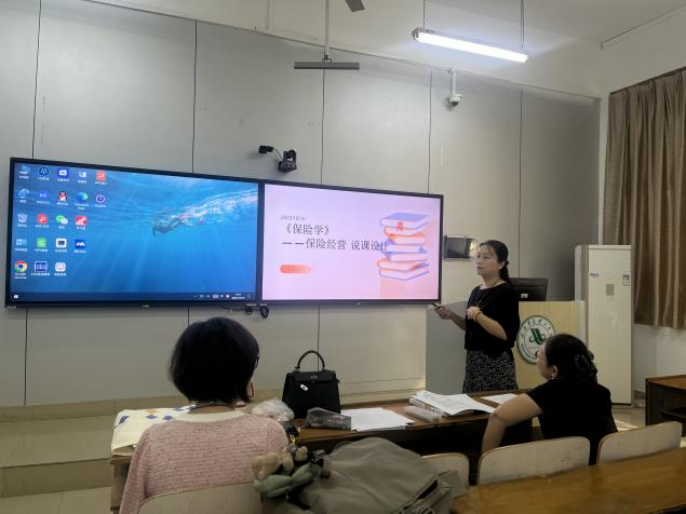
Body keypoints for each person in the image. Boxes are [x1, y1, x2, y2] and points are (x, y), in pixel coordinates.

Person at [120, 317, 287, 514]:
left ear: (182, 371)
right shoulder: (270, 433)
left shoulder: (153, 440)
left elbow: (129, 509)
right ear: (244, 372)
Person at [481, 333, 617, 464]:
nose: (536, 360)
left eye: (539, 355)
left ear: (554, 370)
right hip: (603, 464)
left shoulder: (551, 392)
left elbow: (498, 416)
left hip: (568, 467)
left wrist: (486, 466)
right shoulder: (602, 392)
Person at [434, 240, 520, 393]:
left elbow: (505, 333)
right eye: (478, 256)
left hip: (495, 361)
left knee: (494, 405)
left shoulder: (506, 291)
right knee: (472, 404)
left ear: (501, 264)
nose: (479, 261)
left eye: (486, 257)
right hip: (474, 361)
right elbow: (471, 328)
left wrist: (478, 315)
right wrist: (452, 316)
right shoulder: (476, 291)